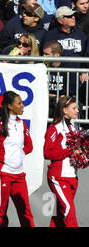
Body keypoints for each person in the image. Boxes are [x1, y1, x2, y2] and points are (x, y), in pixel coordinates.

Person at [0, 90, 35, 227]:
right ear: (10, 106)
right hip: (3, 173)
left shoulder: (22, 124)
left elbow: (29, 146)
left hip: (19, 175)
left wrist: (20, 154)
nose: (23, 105)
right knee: (0, 209)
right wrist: (1, 159)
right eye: (19, 103)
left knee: (25, 211)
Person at [43, 95, 80, 227]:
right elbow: (47, 153)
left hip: (72, 177)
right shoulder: (55, 128)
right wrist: (70, 151)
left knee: (58, 215)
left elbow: (76, 154)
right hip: (58, 177)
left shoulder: (74, 129)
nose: (77, 111)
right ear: (64, 110)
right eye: (74, 108)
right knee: (68, 211)